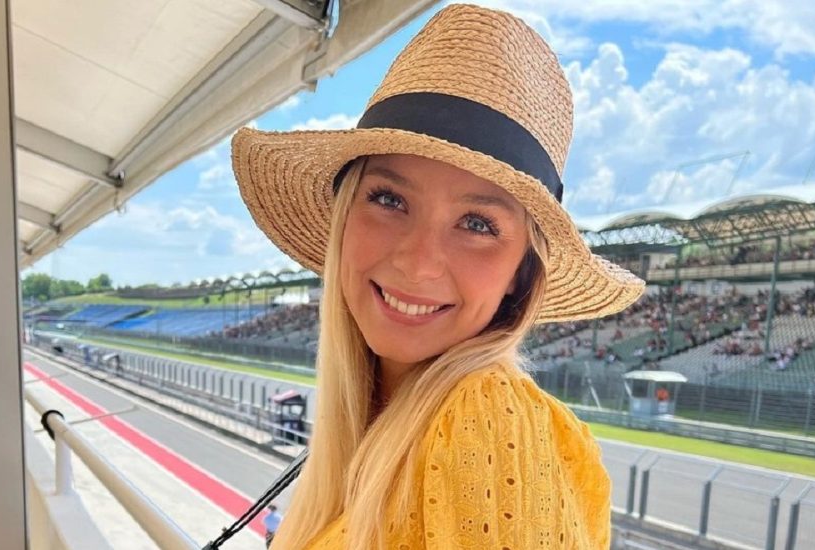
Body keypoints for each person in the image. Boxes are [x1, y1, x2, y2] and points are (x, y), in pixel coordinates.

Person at [230, 5, 644, 549]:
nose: (418, 262)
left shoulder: (488, 420)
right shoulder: (381, 425)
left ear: (520, 273)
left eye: (477, 224)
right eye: (388, 199)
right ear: (345, 215)